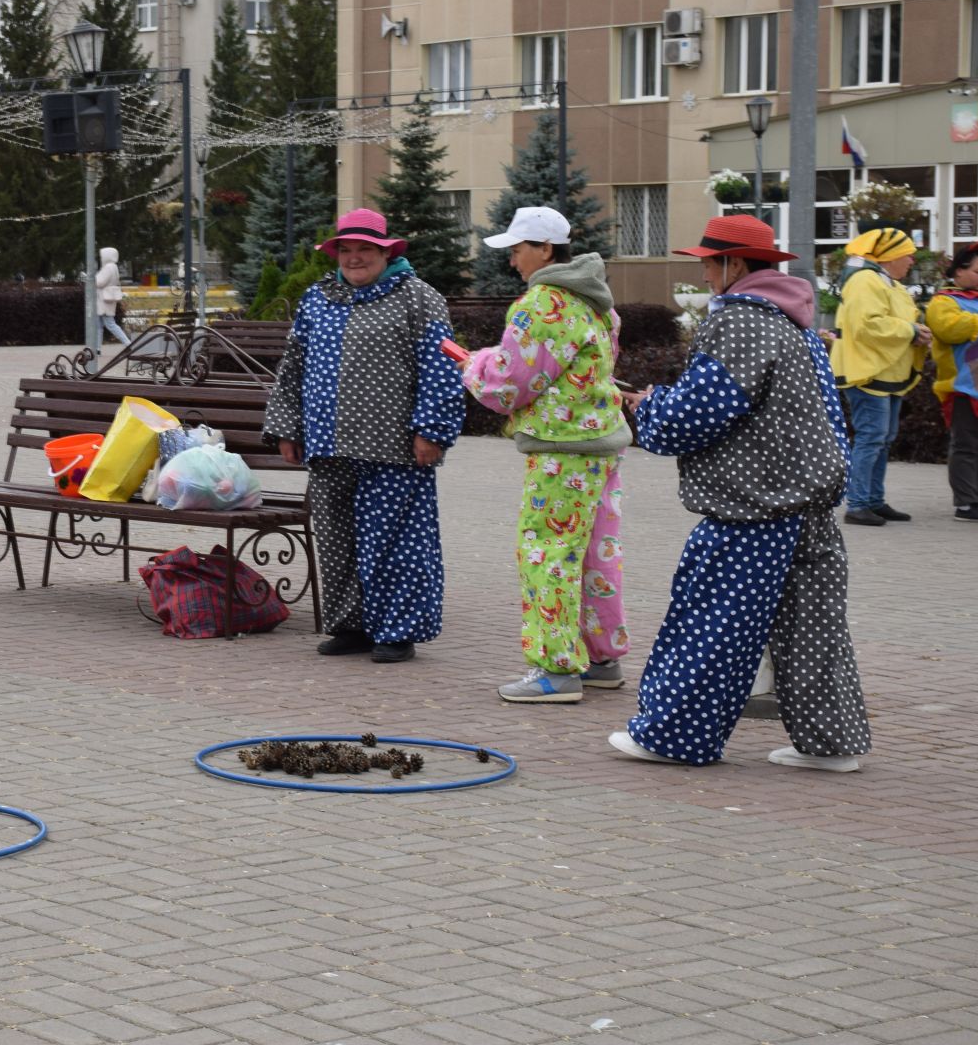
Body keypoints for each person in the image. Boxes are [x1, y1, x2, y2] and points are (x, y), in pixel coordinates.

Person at [611, 215, 870, 771]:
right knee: (814, 628)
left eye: (708, 262)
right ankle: (832, 747)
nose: (703, 273)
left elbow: (704, 411)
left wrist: (649, 409)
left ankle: (672, 738)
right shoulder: (794, 321)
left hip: (756, 503)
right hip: (810, 500)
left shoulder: (742, 320)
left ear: (734, 265)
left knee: (711, 621)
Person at [262, 208, 465, 663]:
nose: (354, 258)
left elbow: (441, 369)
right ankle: (350, 626)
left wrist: (431, 431)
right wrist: (287, 428)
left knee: (395, 542)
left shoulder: (419, 297)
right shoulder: (319, 298)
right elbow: (293, 368)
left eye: (364, 250)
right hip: (328, 445)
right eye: (345, 250)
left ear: (385, 252)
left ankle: (396, 632)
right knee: (337, 540)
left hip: (394, 447)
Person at [461, 206, 631, 704]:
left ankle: (556, 669)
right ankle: (601, 658)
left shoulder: (542, 303)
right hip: (601, 443)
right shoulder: (597, 303)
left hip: (562, 449)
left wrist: (474, 367)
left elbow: (515, 381)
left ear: (545, 250)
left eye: (517, 249)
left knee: (547, 551)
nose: (512, 260)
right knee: (598, 553)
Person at [829, 225, 931, 526]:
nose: (912, 261)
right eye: (908, 255)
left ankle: (872, 500)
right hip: (867, 372)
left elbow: (895, 320)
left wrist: (917, 329)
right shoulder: (865, 281)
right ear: (890, 257)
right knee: (872, 438)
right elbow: (868, 324)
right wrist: (911, 330)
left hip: (882, 371)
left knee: (882, 439)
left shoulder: (886, 282)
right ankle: (858, 504)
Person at [923, 240, 978, 522]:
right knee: (967, 445)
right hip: (963, 381)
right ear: (958, 272)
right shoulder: (944, 301)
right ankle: (966, 504)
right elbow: (950, 330)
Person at [95, 246, 128, 343]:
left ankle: (128, 343)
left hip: (104, 300)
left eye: (103, 256)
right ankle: (97, 349)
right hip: (105, 299)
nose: (101, 258)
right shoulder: (114, 267)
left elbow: (99, 282)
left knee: (109, 324)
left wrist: (90, 279)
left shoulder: (108, 267)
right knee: (99, 325)